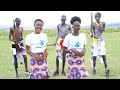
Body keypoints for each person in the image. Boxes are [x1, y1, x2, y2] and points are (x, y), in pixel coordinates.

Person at [90, 12, 110, 77]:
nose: (96, 17)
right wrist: (91, 34)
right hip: (95, 41)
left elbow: (104, 29)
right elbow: (92, 32)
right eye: (95, 16)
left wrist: (101, 27)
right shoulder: (93, 24)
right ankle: (94, 69)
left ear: (100, 16)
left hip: (101, 41)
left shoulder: (103, 22)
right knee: (94, 56)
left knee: (103, 55)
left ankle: (106, 69)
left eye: (97, 16)